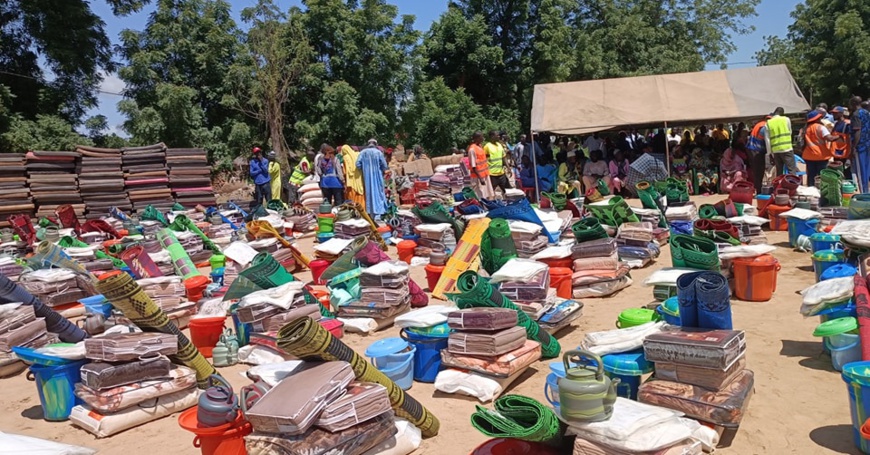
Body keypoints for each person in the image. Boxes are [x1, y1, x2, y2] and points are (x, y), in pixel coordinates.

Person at [802, 109, 837, 186]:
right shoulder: (820, 127)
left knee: (811, 176)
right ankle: (822, 192)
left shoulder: (805, 129)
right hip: (821, 155)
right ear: (817, 119)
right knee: (822, 176)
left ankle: (811, 191)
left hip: (809, 156)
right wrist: (839, 137)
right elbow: (829, 138)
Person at [356, 139, 389, 218]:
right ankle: (379, 213)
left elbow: (357, 164)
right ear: (375, 144)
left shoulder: (362, 153)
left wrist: (364, 168)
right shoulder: (378, 153)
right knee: (378, 193)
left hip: (366, 177)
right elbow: (384, 165)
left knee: (369, 193)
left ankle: (371, 213)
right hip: (377, 176)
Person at [766, 107, 798, 177]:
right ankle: (792, 186)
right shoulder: (786, 119)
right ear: (782, 113)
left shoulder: (768, 123)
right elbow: (790, 132)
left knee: (779, 171)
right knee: (791, 170)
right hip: (787, 148)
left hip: (776, 150)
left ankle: (779, 186)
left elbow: (767, 140)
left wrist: (770, 153)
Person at [747, 116, 771, 193]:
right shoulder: (764, 126)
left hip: (753, 150)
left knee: (758, 171)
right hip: (756, 150)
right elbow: (766, 139)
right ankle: (759, 190)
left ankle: (758, 189)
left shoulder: (760, 124)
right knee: (759, 171)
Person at [851, 96, 870, 192]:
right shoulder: (867, 113)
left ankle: (864, 193)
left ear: (853, 103)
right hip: (867, 144)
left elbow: (857, 131)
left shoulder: (856, 114)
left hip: (860, 146)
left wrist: (854, 146)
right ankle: (866, 190)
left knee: (860, 170)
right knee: (866, 169)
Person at [469, 132, 495, 199]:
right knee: (479, 195)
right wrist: (480, 178)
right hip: (478, 177)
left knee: (486, 194)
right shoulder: (472, 149)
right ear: (477, 138)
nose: (483, 138)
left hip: (484, 174)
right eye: (481, 137)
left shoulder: (479, 146)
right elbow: (473, 166)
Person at [340, 144, 365, 209]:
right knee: (360, 195)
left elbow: (344, 172)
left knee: (351, 197)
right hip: (359, 179)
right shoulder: (358, 154)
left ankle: (354, 211)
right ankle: (362, 211)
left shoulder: (345, 158)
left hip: (350, 182)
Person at [831, 106, 853, 179]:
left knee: (846, 171)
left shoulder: (847, 124)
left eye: (835, 113)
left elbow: (850, 138)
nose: (833, 115)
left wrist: (851, 153)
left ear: (841, 113)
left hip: (844, 152)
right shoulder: (836, 124)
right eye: (833, 113)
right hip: (836, 152)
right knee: (837, 170)